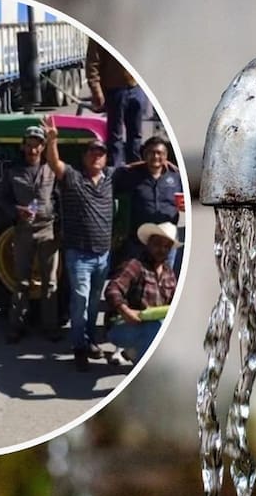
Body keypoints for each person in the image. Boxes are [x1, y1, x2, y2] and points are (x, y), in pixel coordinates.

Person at [42, 116, 114, 371]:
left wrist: (168, 164)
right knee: (80, 301)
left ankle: (91, 340)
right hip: (79, 255)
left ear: (106, 158)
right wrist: (52, 141)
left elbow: (138, 168)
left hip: (103, 255)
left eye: (101, 153)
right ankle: (79, 348)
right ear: (85, 157)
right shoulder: (73, 178)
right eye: (92, 153)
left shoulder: (110, 179)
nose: (96, 156)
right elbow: (54, 163)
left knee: (95, 301)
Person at [0, 125, 60, 342]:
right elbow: (2, 199)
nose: (32, 150)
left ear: (43, 147)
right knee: (21, 281)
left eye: (37, 146)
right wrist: (17, 211)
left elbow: (59, 196)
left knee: (50, 282)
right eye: (29, 145)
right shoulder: (12, 172)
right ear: (23, 146)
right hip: (23, 231)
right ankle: (16, 325)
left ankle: (50, 326)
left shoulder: (51, 169)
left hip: (48, 230)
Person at [104, 221, 180, 363]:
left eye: (166, 247)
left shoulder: (169, 274)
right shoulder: (135, 265)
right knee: (155, 329)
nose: (161, 249)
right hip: (122, 325)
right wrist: (125, 311)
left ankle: (137, 353)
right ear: (148, 244)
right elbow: (112, 289)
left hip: (153, 322)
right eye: (157, 244)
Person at [115, 136, 184, 271]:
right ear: (144, 155)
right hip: (139, 242)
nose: (155, 156)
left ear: (166, 156)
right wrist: (136, 165)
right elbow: (115, 174)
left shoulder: (176, 178)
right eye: (151, 152)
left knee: (164, 283)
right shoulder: (132, 176)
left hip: (166, 242)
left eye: (160, 153)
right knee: (135, 280)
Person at [86, 39, 145, 167]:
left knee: (136, 135)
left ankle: (136, 169)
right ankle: (116, 171)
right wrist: (96, 90)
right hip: (115, 89)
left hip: (137, 87)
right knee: (115, 136)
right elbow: (92, 62)